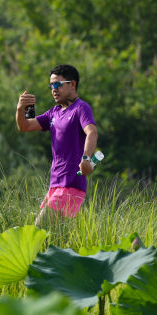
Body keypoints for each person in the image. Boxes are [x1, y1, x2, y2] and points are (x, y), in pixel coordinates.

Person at [16, 64, 99, 228]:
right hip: (55, 185)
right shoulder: (53, 113)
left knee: (38, 231)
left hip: (70, 184)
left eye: (57, 84)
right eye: (51, 86)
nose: (53, 89)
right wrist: (20, 109)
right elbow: (24, 126)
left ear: (72, 84)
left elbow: (92, 132)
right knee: (53, 239)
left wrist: (86, 159)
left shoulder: (81, 108)